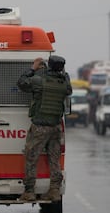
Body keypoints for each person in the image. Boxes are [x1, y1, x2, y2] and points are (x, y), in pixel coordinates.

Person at [17, 55, 72, 201]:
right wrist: (64, 73)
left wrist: (33, 68)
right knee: (54, 159)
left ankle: (29, 191)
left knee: (31, 157)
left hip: (40, 127)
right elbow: (69, 89)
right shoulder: (63, 85)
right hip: (55, 127)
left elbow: (21, 83)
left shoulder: (39, 81)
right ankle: (54, 190)